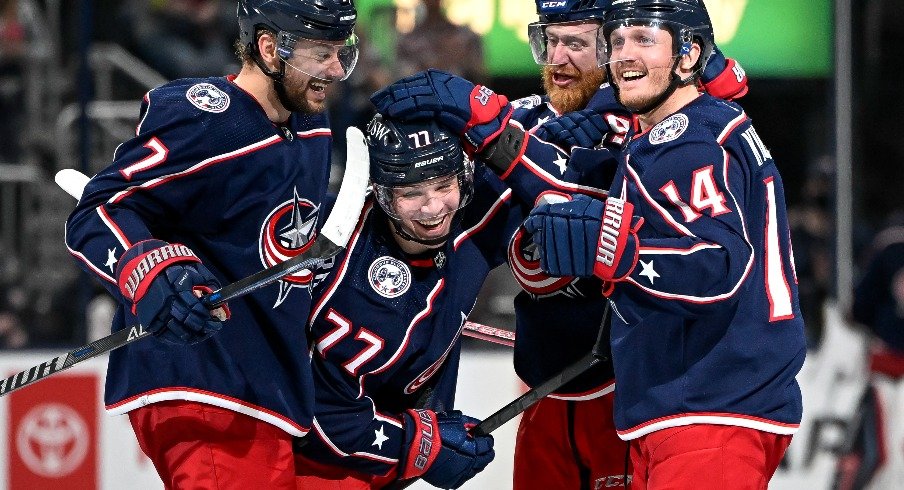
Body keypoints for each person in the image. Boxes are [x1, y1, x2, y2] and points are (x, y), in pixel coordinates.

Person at [64, 0, 359, 487]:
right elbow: (99, 209)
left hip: (270, 388)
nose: (334, 70)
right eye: (318, 54)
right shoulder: (208, 120)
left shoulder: (312, 125)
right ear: (269, 49)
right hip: (206, 386)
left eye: (340, 54)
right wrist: (149, 271)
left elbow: (279, 226)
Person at [518, 1, 805, 488]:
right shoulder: (697, 127)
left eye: (645, 40)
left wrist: (619, 253)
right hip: (700, 410)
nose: (625, 55)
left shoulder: (687, 141)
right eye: (617, 40)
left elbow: (717, 265)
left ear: (688, 57)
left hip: (707, 411)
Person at [293, 115, 527, 488]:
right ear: (381, 193)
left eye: (443, 185)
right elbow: (324, 415)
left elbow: (542, 147)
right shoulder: (347, 282)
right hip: (315, 470)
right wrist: (420, 445)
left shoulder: (473, 210)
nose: (433, 209)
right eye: (411, 193)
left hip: (382, 454)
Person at [838, 215, 904, 489]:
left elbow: (859, 309)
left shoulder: (887, 248)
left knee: (881, 448)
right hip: (888, 363)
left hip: (887, 361)